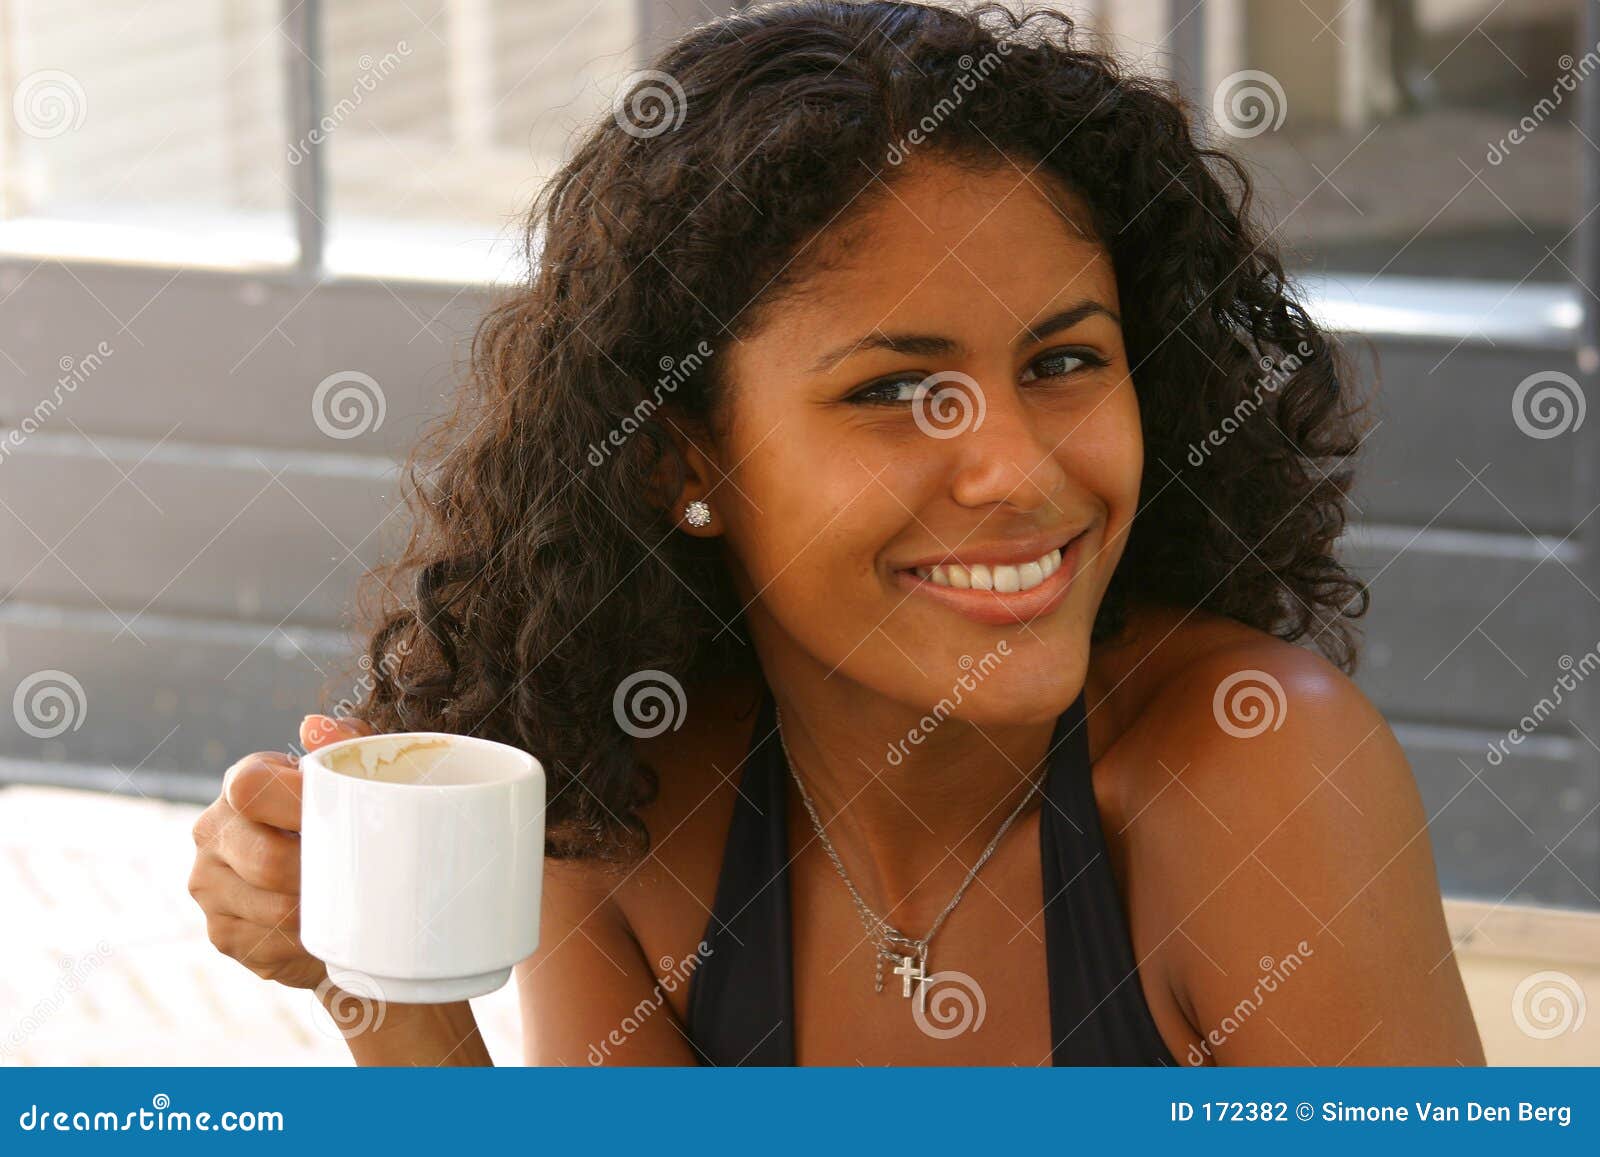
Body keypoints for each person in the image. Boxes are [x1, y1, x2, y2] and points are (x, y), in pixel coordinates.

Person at [188, 0, 1485, 1066]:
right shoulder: (625, 787)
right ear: (684, 462)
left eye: (1065, 361)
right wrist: (368, 975)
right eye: (891, 390)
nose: (1016, 470)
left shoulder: (1257, 767)